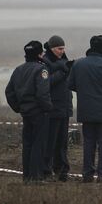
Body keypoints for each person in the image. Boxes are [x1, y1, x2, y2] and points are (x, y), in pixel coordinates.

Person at [67, 35, 102, 183]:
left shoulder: (78, 64)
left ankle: (87, 175)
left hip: (85, 109)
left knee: (88, 142)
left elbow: (70, 84)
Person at [5, 41, 52, 182]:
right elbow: (42, 94)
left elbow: (9, 92)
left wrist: (18, 108)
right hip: (39, 112)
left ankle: (27, 176)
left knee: (28, 144)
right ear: (39, 54)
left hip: (25, 112)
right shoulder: (41, 70)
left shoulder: (18, 70)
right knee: (39, 144)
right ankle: (36, 177)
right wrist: (48, 108)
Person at [42, 35, 73, 181]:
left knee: (62, 143)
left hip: (64, 108)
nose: (62, 51)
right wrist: (63, 72)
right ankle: (46, 170)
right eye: (59, 49)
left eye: (63, 48)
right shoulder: (44, 63)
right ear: (51, 48)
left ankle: (62, 171)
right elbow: (47, 83)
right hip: (52, 109)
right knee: (50, 142)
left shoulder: (64, 62)